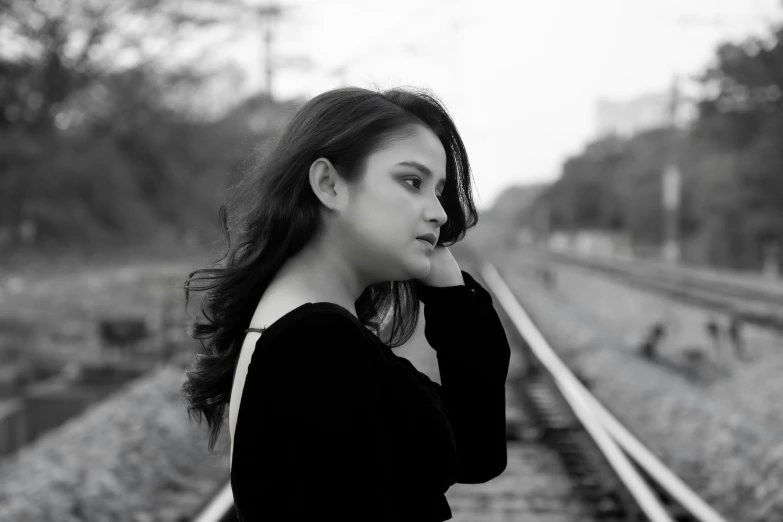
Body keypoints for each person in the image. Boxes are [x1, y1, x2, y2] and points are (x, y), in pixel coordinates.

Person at [180, 86, 511, 521]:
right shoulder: (317, 341)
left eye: (439, 190)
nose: (440, 213)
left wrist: (450, 295)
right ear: (329, 185)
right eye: (413, 182)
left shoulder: (309, 328)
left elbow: (476, 452)